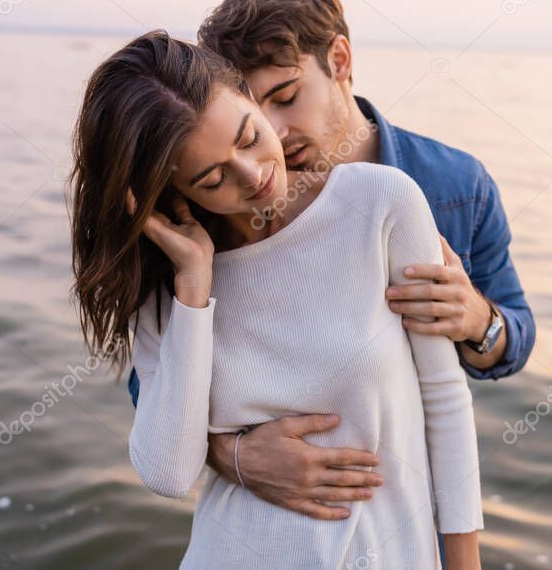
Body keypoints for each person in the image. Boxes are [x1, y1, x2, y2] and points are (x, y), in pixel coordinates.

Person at [127, 0, 536, 534]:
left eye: (287, 97)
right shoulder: (218, 207)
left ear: (340, 59)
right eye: (252, 111)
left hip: (413, 511)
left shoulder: (454, 185)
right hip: (270, 528)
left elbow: (514, 339)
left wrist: (477, 320)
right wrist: (234, 457)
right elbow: (153, 387)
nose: (273, 132)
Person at [70, 31, 484, 568]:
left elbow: (444, 397)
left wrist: (464, 560)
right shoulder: (169, 290)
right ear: (174, 195)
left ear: (249, 96)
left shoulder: (380, 202)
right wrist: (195, 284)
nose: (254, 174)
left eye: (248, 137)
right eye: (213, 177)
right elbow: (168, 473)